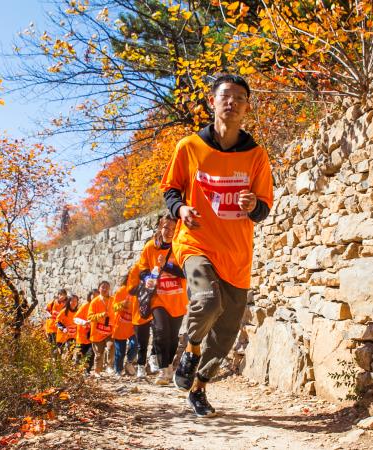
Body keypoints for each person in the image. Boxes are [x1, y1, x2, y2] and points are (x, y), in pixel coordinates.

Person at [160, 74, 273, 417]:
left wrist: (253, 204)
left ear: (247, 107)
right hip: (195, 242)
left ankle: (199, 387)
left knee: (226, 332)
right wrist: (181, 209)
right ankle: (192, 348)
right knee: (207, 300)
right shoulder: (189, 147)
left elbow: (264, 209)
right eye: (225, 96)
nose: (232, 102)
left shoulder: (256, 155)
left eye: (240, 98)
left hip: (236, 253)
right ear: (212, 101)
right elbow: (170, 189)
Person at [129, 215, 187, 386]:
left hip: (177, 298)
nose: (169, 232)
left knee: (173, 337)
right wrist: (147, 278)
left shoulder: (181, 246)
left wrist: (166, 266)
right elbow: (142, 268)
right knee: (161, 331)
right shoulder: (150, 247)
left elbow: (185, 272)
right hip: (158, 297)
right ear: (160, 227)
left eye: (173, 228)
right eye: (166, 227)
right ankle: (162, 370)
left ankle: (168, 367)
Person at [110, 275, 137, 376]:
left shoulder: (139, 290)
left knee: (135, 345)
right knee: (120, 351)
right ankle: (118, 370)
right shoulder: (122, 290)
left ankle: (129, 363)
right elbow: (114, 308)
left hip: (133, 326)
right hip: (120, 325)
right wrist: (122, 304)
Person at [87, 280, 114, 375]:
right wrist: (101, 315)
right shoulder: (94, 302)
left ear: (109, 289)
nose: (105, 289)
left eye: (107, 287)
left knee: (111, 346)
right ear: (99, 289)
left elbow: (118, 310)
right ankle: (97, 371)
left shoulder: (113, 300)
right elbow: (90, 317)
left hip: (109, 331)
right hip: (97, 332)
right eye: (103, 287)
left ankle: (109, 366)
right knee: (99, 354)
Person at [74, 289, 98, 374]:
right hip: (81, 336)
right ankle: (77, 372)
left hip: (93, 336)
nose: (95, 297)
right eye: (93, 295)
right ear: (90, 296)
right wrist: (84, 322)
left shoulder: (99, 307)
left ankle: (87, 371)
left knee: (91, 354)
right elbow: (75, 318)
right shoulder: (85, 306)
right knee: (80, 355)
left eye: (97, 295)